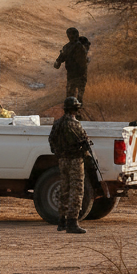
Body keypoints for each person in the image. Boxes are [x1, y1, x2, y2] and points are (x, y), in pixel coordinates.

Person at [49, 96, 90, 233]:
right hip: (75, 160)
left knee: (64, 190)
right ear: (75, 109)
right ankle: (72, 222)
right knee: (76, 191)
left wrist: (59, 153)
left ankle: (61, 221)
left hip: (63, 160)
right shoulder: (75, 124)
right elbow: (83, 141)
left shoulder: (57, 123)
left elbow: (51, 140)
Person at [54, 27, 88, 103]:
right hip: (79, 75)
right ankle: (77, 112)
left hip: (74, 76)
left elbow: (57, 64)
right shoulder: (79, 47)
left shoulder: (67, 47)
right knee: (78, 99)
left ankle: (75, 112)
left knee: (71, 99)